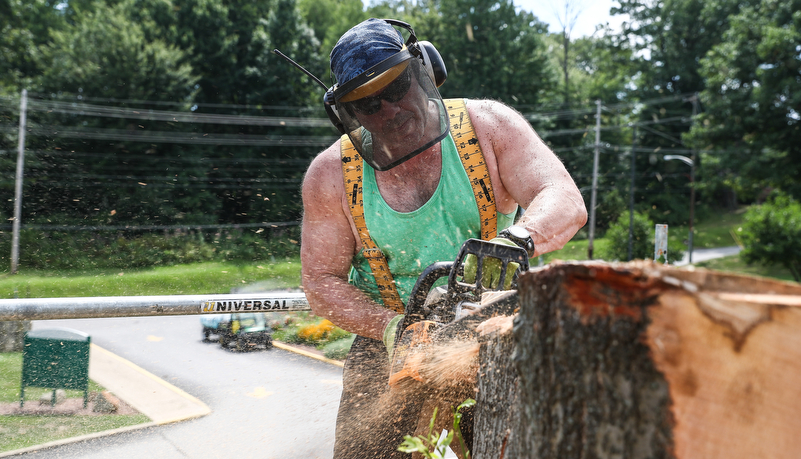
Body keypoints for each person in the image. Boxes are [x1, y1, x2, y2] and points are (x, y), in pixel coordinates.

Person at [300, 18, 587, 459]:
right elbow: (320, 279)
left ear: (426, 70)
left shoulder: (487, 127)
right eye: (369, 105)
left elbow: (563, 197)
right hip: (390, 337)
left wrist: (518, 239)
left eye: (396, 89)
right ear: (349, 114)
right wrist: (391, 329)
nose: (390, 111)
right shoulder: (332, 174)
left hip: (492, 326)